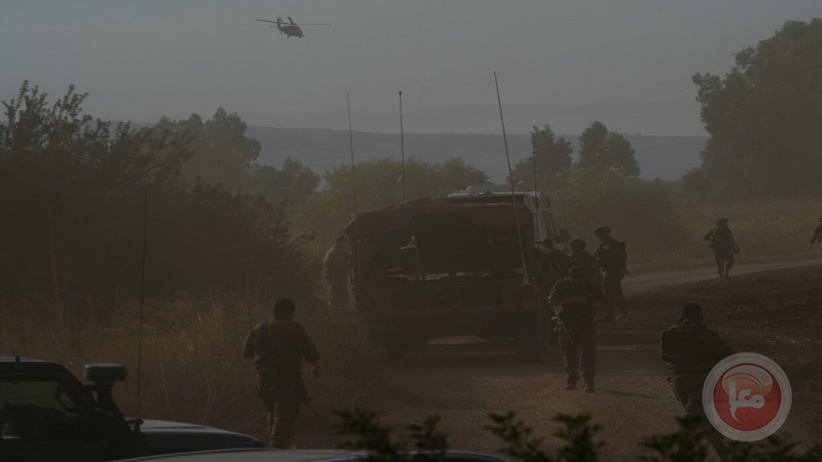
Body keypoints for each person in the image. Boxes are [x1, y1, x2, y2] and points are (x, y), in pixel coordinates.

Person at [243, 298, 321, 449]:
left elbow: (247, 353)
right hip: (287, 380)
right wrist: (316, 368)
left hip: (263, 380)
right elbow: (311, 353)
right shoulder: (295, 328)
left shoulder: (259, 329)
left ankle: (275, 446)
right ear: (290, 313)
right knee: (285, 415)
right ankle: (279, 450)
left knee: (272, 411)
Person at [661, 303, 734, 458]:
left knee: (699, 415)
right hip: (701, 382)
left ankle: (720, 447)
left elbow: (666, 357)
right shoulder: (707, 334)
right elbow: (729, 356)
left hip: (678, 383)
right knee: (696, 418)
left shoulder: (671, 333)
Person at [547, 266, 608, 393]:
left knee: (588, 350)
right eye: (577, 280)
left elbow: (604, 304)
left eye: (583, 280)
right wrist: (574, 299)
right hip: (567, 322)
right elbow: (552, 301)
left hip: (586, 321)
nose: (581, 282)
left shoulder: (591, 286)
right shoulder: (561, 286)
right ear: (570, 277)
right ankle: (572, 377)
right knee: (568, 350)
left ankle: (588, 380)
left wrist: (595, 302)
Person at [592, 225, 628, 322]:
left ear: (607, 234)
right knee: (615, 292)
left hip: (614, 271)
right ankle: (622, 312)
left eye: (601, 234)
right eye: (599, 235)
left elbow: (621, 258)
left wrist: (621, 269)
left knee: (610, 293)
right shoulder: (602, 246)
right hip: (607, 271)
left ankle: (610, 315)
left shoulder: (616, 244)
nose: (600, 237)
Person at [703, 218, 740, 282]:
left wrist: (713, 240)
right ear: (723, 223)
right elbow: (732, 240)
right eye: (726, 223)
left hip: (717, 249)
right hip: (726, 249)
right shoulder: (727, 230)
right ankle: (726, 273)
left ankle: (721, 277)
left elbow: (705, 237)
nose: (727, 224)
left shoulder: (714, 230)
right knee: (731, 261)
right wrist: (736, 248)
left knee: (720, 263)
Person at [323, 236, 349, 310]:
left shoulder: (335, 251)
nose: (344, 245)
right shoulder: (336, 252)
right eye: (343, 243)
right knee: (338, 297)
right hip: (336, 278)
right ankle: (337, 315)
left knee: (341, 297)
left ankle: (339, 314)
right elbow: (340, 267)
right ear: (339, 243)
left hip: (337, 278)